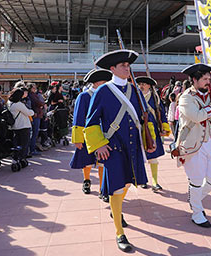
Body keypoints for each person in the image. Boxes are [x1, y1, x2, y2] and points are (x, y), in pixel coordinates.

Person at [83, 49, 151, 252]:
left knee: (129, 183)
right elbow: (91, 121)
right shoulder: (103, 91)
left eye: (129, 66)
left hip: (133, 146)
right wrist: (99, 144)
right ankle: (119, 232)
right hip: (113, 147)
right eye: (123, 65)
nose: (127, 68)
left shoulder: (134, 90)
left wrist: (150, 139)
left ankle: (116, 208)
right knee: (117, 188)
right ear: (112, 69)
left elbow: (142, 119)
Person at [175, 63, 211, 228]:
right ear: (194, 80)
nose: (208, 81)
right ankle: (197, 212)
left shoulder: (210, 95)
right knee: (196, 180)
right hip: (192, 145)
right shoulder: (185, 97)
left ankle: (194, 198)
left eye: (209, 78)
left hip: (210, 143)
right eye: (204, 78)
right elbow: (196, 116)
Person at [70, 69, 112, 202]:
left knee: (102, 162)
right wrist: (78, 138)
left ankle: (102, 189)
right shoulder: (84, 96)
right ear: (98, 83)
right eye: (105, 82)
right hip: (87, 134)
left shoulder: (107, 95)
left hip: (103, 134)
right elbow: (78, 117)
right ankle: (87, 180)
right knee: (86, 162)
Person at [137, 76, 171, 192]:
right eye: (140, 83)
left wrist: (164, 127)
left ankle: (155, 182)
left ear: (149, 86)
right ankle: (143, 180)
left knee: (153, 157)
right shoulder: (135, 96)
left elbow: (161, 113)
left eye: (144, 84)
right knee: (140, 156)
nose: (141, 86)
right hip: (138, 129)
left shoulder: (155, 98)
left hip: (153, 130)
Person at [8, 88, 34, 170]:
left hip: (15, 126)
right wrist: (32, 111)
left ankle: (15, 159)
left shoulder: (10, 103)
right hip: (23, 126)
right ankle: (22, 159)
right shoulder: (19, 104)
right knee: (24, 144)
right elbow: (29, 113)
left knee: (17, 144)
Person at [28, 83, 45, 156]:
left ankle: (32, 148)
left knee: (34, 133)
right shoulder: (32, 95)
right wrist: (41, 104)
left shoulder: (32, 95)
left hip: (36, 114)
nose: (35, 89)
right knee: (34, 133)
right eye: (34, 88)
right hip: (35, 115)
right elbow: (40, 103)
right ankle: (32, 149)